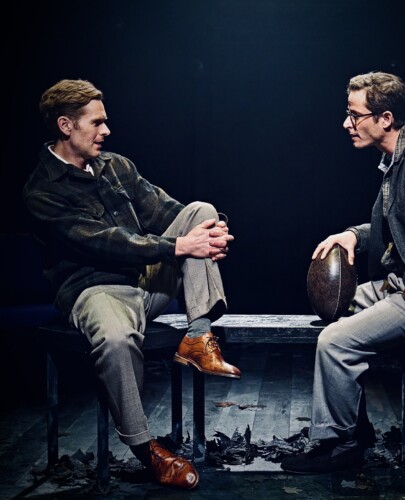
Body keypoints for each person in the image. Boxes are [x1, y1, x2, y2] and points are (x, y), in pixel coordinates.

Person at [23, 79, 241, 489]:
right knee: (117, 340)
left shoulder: (116, 167)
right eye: (97, 123)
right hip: (95, 290)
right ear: (66, 125)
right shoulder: (42, 191)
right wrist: (181, 246)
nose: (106, 131)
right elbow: (103, 242)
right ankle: (146, 450)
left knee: (202, 211)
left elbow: (168, 212)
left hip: (145, 282)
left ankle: (198, 336)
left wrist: (212, 234)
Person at [280, 71, 405, 474]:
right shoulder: (395, 158)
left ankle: (340, 444)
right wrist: (353, 235)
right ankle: (356, 428)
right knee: (333, 309)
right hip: (397, 286)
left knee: (335, 341)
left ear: (385, 118)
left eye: (354, 115)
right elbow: (395, 225)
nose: (347, 123)